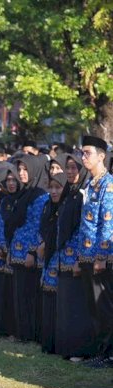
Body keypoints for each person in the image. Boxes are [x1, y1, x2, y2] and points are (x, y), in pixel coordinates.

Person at [76, 136, 113, 366]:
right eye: (82, 153)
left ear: (101, 156)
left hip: (101, 257)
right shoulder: (90, 184)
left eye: (87, 153)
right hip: (87, 255)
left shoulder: (108, 184)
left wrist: (101, 256)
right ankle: (100, 350)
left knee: (104, 305)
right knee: (94, 307)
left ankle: (108, 354)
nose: (83, 157)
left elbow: (108, 223)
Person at [55, 153, 96, 359]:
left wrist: (80, 259)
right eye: (68, 168)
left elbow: (84, 228)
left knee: (78, 305)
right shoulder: (69, 192)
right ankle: (67, 348)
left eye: (74, 168)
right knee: (67, 304)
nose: (70, 172)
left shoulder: (83, 194)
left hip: (77, 258)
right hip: (64, 256)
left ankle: (80, 350)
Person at [9, 156, 49, 342]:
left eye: (25, 169)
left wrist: (32, 251)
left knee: (29, 295)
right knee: (19, 295)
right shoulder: (24, 193)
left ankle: (31, 333)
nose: (21, 173)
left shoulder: (40, 195)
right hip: (17, 251)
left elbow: (38, 226)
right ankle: (22, 332)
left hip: (30, 253)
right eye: (20, 169)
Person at [38, 174, 68, 354]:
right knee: (48, 300)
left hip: (61, 259)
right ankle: (48, 343)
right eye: (51, 187)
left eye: (58, 187)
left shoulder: (66, 207)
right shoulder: (48, 206)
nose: (54, 191)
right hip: (47, 258)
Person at [0, 164, 19, 336]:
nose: (10, 184)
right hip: (0, 251)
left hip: (14, 251)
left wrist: (7, 248)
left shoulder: (21, 200)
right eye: (8, 180)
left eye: (14, 180)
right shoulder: (4, 201)